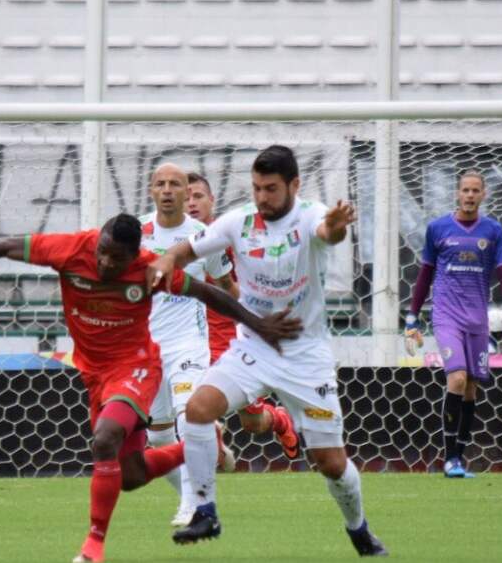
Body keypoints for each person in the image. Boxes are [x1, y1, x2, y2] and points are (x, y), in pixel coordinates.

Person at [0, 213, 301, 563]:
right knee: (131, 476)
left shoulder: (148, 269)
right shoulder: (72, 249)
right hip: (93, 374)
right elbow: (4, 246)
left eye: (115, 258)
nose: (105, 262)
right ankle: (202, 444)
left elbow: (207, 293)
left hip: (136, 367)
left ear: (134, 255)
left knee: (104, 439)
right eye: (103, 251)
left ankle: (93, 547)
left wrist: (259, 325)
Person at [149, 145, 388, 556]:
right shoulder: (238, 221)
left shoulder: (311, 215)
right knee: (199, 410)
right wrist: (167, 260)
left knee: (331, 464)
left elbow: (328, 233)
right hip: (254, 348)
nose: (262, 197)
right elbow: (185, 249)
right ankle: (205, 510)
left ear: (294, 185)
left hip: (305, 356)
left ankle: (358, 528)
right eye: (257, 188)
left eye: (271, 189)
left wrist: (336, 228)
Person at [405, 169, 502, 479]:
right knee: (457, 378)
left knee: (471, 386)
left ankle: (458, 458)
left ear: (483, 194)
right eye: (465, 190)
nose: (470, 195)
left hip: (477, 319)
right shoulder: (438, 228)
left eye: (475, 190)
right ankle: (449, 459)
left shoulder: (493, 230)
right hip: (446, 316)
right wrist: (411, 317)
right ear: (457, 193)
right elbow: (425, 275)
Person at [140, 164, 238, 528]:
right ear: (151, 191)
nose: (167, 190)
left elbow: (227, 285)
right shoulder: (137, 232)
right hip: (147, 348)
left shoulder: (202, 236)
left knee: (189, 417)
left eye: (175, 185)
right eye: (160, 184)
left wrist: (256, 315)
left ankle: (196, 502)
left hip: (188, 343)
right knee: (158, 437)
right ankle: (188, 495)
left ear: (186, 193)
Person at [186, 171, 301, 460]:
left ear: (212, 200)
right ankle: (207, 457)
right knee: (191, 404)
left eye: (198, 196)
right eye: (186, 197)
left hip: (232, 339)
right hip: (190, 340)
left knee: (253, 423)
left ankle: (279, 419)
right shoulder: (174, 244)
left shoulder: (231, 239)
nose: (191, 203)